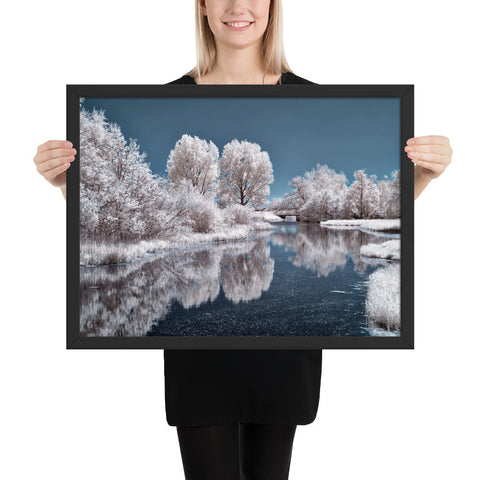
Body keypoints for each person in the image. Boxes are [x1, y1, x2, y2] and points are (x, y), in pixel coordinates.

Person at [33, 1, 453, 479]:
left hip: (284, 364)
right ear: (203, 7)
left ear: (273, 7)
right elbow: (122, 217)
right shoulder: (171, 96)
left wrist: (421, 179)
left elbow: (394, 211)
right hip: (200, 370)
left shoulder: (309, 96)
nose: (238, 6)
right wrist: (71, 187)